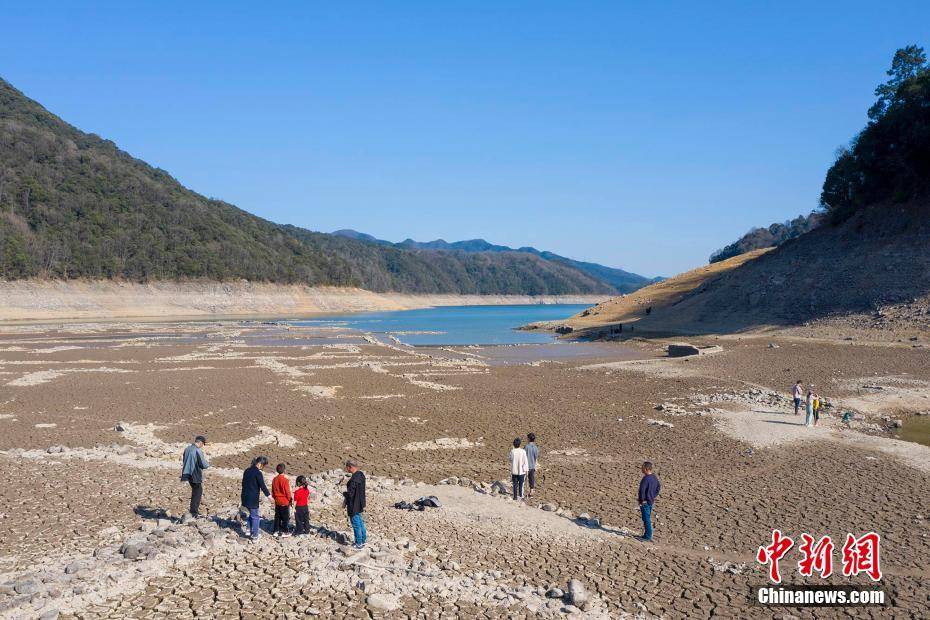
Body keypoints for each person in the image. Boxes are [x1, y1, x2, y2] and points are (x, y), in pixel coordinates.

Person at [241, 456, 271, 541]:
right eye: (263, 466)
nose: (263, 468)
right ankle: (255, 536)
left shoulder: (247, 470)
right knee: (256, 517)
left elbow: (243, 483)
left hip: (244, 496)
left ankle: (248, 529)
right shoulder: (258, 473)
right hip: (252, 498)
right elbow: (263, 486)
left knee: (252, 513)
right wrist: (269, 496)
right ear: (260, 464)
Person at [180, 435, 209, 518]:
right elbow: (203, 464)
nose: (202, 446)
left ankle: (193, 511)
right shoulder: (197, 451)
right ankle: (194, 512)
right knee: (198, 492)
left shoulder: (187, 449)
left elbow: (185, 460)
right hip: (195, 473)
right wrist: (208, 465)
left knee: (195, 491)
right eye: (203, 444)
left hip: (186, 473)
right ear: (200, 442)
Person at [343, 459, 367, 549]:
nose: (346, 469)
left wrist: (345, 494)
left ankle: (358, 543)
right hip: (360, 502)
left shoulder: (354, 479)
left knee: (356, 523)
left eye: (347, 467)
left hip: (354, 504)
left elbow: (351, 493)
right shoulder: (361, 475)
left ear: (351, 467)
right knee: (360, 522)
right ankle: (363, 540)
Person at [638, 461, 661, 542]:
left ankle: (647, 536)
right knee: (647, 518)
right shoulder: (654, 477)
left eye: (642, 467)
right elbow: (658, 488)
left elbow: (642, 491)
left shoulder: (646, 479)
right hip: (651, 501)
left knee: (646, 519)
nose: (641, 468)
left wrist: (641, 501)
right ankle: (646, 535)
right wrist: (653, 496)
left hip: (645, 502)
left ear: (646, 468)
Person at [271, 463, 293, 537]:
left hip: (277, 500)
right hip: (284, 501)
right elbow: (287, 492)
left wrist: (274, 498)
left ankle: (275, 531)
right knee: (285, 518)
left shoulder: (274, 479)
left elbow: (273, 491)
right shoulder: (285, 480)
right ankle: (285, 531)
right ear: (285, 471)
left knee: (277, 517)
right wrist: (290, 500)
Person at [525, 433, 540, 497]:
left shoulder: (526, 446)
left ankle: (523, 492)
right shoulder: (535, 447)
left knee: (524, 479)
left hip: (526, 466)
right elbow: (536, 457)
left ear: (528, 439)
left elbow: (524, 455)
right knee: (531, 478)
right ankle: (531, 491)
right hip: (532, 466)